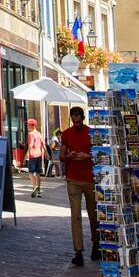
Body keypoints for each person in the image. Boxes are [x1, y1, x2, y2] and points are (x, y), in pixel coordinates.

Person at [60, 105, 100, 266]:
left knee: (93, 214)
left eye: (78, 120)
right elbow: (62, 156)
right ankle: (78, 251)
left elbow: (99, 154)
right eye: (73, 120)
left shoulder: (91, 133)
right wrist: (69, 156)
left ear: (83, 118)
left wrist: (87, 156)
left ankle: (96, 245)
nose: (76, 123)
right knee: (75, 216)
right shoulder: (66, 134)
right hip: (73, 179)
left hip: (89, 179)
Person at [26, 118, 46, 197]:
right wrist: (47, 153)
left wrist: (27, 155)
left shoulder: (31, 134)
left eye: (28, 125)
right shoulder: (39, 133)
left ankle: (35, 187)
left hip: (32, 155)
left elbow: (30, 145)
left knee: (30, 173)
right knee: (37, 173)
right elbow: (43, 144)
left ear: (32, 125)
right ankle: (39, 190)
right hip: (39, 155)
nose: (27, 126)